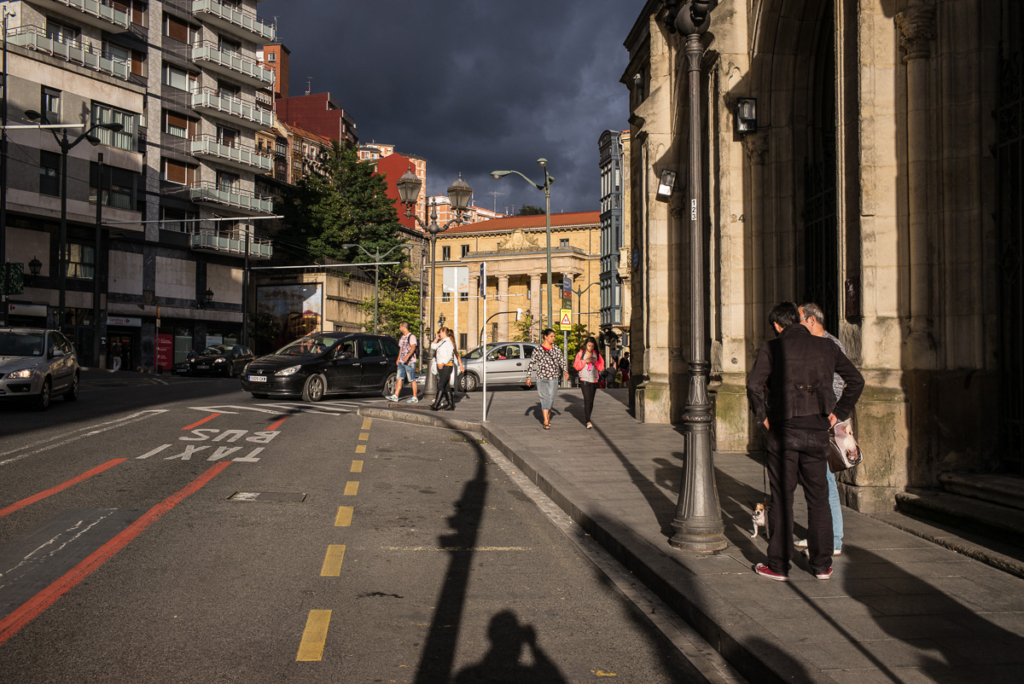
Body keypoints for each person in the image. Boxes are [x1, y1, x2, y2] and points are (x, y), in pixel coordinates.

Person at [746, 302, 864, 581]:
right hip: (816, 429)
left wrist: (763, 417)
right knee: (818, 498)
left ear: (777, 325)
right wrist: (837, 414)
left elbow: (753, 385)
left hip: (783, 430)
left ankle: (778, 565)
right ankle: (822, 565)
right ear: (800, 321)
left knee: (783, 498)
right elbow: (856, 381)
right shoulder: (826, 346)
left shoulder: (772, 348)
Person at [795, 302, 849, 556]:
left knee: (824, 480)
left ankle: (833, 539)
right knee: (816, 479)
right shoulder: (811, 344)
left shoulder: (830, 344)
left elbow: (839, 382)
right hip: (813, 419)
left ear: (812, 320)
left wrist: (831, 412)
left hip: (824, 421)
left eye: (800, 321)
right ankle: (821, 533)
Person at [526, 328, 569, 430]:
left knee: (551, 398)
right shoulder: (537, 350)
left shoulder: (556, 349)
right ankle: (546, 420)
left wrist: (565, 371)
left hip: (554, 377)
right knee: (543, 397)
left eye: (554, 336)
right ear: (545, 336)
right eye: (551, 336)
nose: (553, 338)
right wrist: (528, 377)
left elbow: (561, 361)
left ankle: (547, 417)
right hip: (541, 377)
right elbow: (531, 363)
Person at [573, 336, 604, 429]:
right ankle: (588, 421)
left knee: (591, 401)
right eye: (589, 346)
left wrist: (595, 362)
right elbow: (576, 366)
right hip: (584, 380)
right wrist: (585, 361)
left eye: (592, 346)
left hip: (594, 380)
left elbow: (601, 367)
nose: (590, 348)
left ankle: (588, 417)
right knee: (587, 399)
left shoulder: (597, 355)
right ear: (586, 345)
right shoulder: (580, 354)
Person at [429, 328, 462, 411]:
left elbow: (449, 356)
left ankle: (436, 404)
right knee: (446, 386)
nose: (439, 334)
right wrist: (436, 338)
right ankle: (451, 405)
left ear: (444, 333)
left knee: (441, 384)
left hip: (446, 366)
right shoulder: (442, 341)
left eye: (440, 332)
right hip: (440, 365)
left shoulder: (448, 343)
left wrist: (443, 363)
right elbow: (433, 346)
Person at [389, 321, 419, 403]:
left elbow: (413, 348)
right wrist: (398, 359)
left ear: (404, 327)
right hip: (402, 361)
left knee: (412, 379)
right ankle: (396, 396)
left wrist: (407, 356)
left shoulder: (412, 337)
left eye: (400, 327)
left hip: (410, 362)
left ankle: (415, 397)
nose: (399, 328)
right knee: (399, 378)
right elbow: (401, 349)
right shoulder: (402, 337)